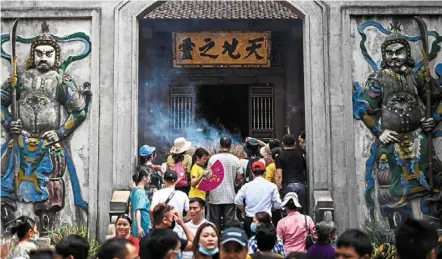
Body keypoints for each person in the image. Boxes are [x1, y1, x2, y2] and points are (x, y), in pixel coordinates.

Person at [1, 23, 91, 233]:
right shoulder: (19, 79)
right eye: (39, 53)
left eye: (48, 53)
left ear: (55, 56)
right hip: (20, 141)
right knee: (6, 183)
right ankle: (9, 230)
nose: (43, 57)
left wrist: (60, 132)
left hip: (49, 143)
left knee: (51, 186)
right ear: (33, 54)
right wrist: (8, 122)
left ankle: (46, 232)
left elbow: (79, 111)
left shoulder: (61, 80)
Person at [235, 161, 281, 237]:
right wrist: (271, 207)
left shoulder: (246, 186)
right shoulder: (272, 186)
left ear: (252, 173)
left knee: (250, 244)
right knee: (266, 244)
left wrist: (244, 211)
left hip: (250, 218)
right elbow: (278, 204)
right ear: (264, 172)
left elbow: (237, 200)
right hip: (265, 218)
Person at [207, 136, 242, 230]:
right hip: (230, 195)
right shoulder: (235, 159)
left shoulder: (212, 159)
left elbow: (208, 176)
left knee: (214, 224)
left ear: (220, 145)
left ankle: (216, 242)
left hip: (215, 195)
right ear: (230, 146)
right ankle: (227, 242)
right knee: (229, 223)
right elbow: (239, 177)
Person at [275, 134, 307, 208]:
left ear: (282, 144)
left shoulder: (279, 157)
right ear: (295, 143)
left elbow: (279, 175)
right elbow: (304, 170)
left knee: (288, 211)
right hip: (301, 186)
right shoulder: (300, 155)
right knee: (299, 210)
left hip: (287, 186)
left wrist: (277, 189)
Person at [130, 168, 152, 238]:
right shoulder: (140, 192)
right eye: (149, 178)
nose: (150, 181)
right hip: (142, 226)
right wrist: (139, 227)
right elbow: (138, 210)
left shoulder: (137, 190)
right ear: (144, 178)